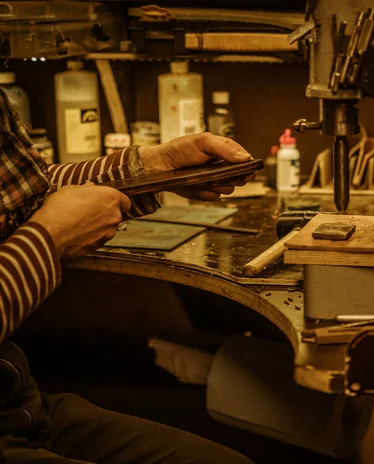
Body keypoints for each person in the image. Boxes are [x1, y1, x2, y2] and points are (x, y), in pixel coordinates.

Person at [0, 89, 255, 463]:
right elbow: (42, 222)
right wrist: (50, 240)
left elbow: (21, 196)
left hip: (18, 404)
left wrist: (152, 168)